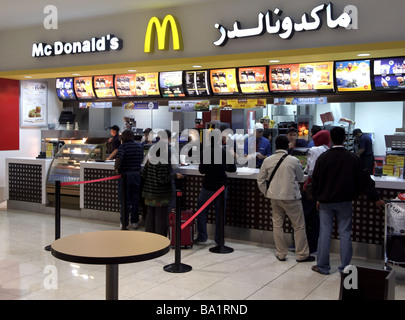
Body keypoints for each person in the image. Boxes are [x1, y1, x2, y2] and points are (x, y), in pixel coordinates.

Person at [311, 127, 385, 275]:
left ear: (331, 139)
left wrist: (317, 198)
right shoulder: (353, 158)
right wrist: (376, 198)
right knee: (345, 233)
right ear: (345, 139)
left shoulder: (323, 158)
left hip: (326, 202)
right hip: (345, 201)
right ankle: (345, 268)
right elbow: (365, 181)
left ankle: (323, 266)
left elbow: (316, 180)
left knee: (325, 232)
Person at [257, 135, 315, 263]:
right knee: (298, 226)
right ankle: (301, 254)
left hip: (274, 197)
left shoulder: (268, 160)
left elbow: (260, 179)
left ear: (275, 146)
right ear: (288, 146)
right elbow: (301, 178)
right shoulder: (293, 161)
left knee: (277, 225)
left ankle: (281, 253)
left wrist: (266, 192)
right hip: (291, 197)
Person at [194, 129, 237, 244]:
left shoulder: (205, 152)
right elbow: (233, 168)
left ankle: (202, 236)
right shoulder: (225, 152)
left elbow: (202, 170)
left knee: (202, 211)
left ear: (209, 139)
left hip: (208, 186)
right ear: (219, 139)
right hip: (221, 186)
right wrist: (223, 167)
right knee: (220, 213)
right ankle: (219, 238)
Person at [141, 130, 183, 237]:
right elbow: (162, 179)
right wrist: (175, 175)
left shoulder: (151, 159)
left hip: (149, 193)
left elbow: (144, 173)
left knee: (150, 214)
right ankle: (161, 238)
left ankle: (149, 236)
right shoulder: (163, 162)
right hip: (160, 194)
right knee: (161, 216)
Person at [302, 130, 331, 254]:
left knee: (305, 217)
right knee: (317, 220)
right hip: (325, 191)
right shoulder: (329, 151)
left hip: (311, 189)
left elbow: (310, 171)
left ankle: (305, 246)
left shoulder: (314, 150)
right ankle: (314, 246)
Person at [114, 129, 144, 230]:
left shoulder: (123, 146)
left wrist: (116, 168)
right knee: (135, 200)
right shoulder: (139, 146)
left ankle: (124, 222)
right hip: (136, 175)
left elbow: (119, 159)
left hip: (125, 177)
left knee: (125, 200)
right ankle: (134, 222)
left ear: (125, 137)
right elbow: (142, 159)